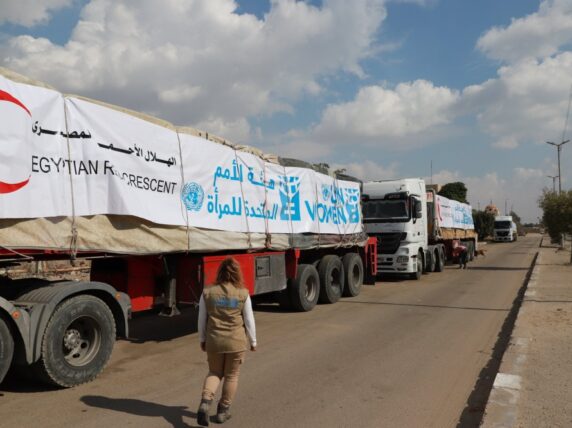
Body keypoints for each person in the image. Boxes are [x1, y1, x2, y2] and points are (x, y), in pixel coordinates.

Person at [196, 257, 257, 426]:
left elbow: (201, 319)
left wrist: (202, 339)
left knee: (214, 372)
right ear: (237, 273)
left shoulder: (207, 292)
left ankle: (205, 403)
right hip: (235, 342)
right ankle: (223, 411)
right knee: (231, 376)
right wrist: (253, 341)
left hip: (214, 341)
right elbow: (249, 320)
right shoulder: (243, 293)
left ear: (220, 272)